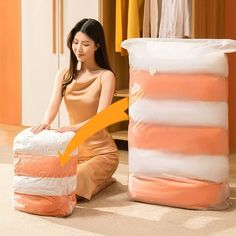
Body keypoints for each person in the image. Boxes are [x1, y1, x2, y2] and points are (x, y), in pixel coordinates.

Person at [31, 18, 119, 201]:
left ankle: (101, 180)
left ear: (97, 46)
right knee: (47, 180)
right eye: (75, 42)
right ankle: (98, 182)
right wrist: (45, 122)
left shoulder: (106, 76)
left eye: (85, 44)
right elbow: (53, 105)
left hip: (101, 153)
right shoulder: (64, 74)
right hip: (73, 151)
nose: (78, 49)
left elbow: (101, 119)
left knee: (71, 188)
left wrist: (71, 128)